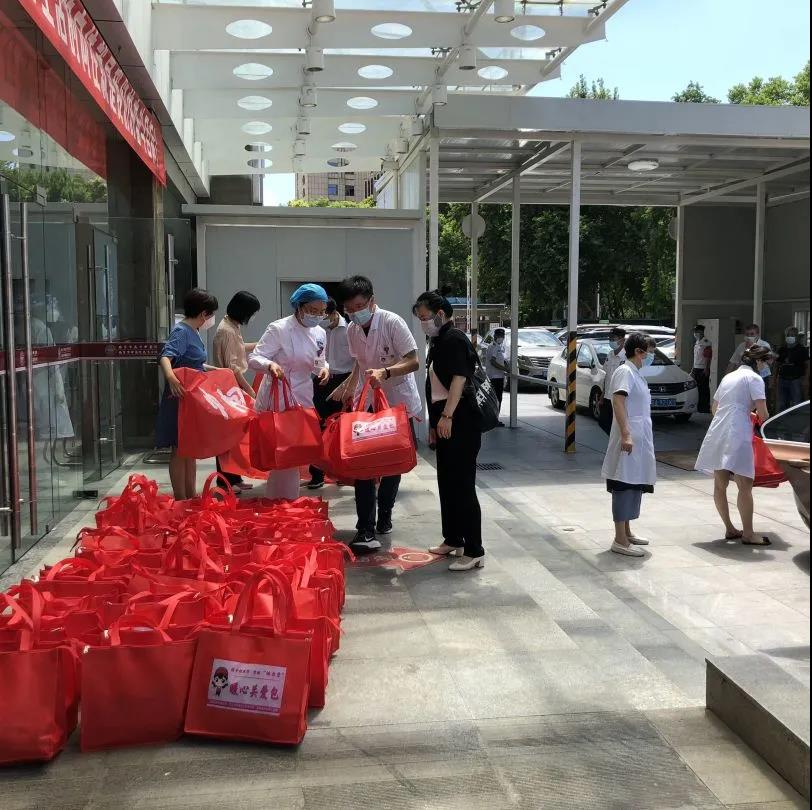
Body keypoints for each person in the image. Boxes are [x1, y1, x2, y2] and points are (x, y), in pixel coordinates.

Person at [331, 275, 420, 553]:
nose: (355, 313)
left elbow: (414, 360)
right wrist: (349, 387)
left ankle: (385, 514)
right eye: (349, 309)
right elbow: (359, 363)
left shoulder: (393, 322)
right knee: (364, 464)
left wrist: (386, 372)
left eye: (359, 306)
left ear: (372, 301)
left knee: (393, 462)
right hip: (367, 401)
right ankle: (365, 527)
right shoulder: (352, 330)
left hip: (397, 401)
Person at [414, 292, 485, 571]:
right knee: (447, 482)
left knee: (463, 485)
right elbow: (435, 387)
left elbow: (459, 379)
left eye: (425, 317)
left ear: (440, 314)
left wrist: (447, 416)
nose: (423, 323)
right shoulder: (439, 340)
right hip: (445, 421)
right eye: (420, 318)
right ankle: (454, 538)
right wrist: (434, 424)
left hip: (460, 421)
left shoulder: (454, 339)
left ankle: (474, 549)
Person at [248, 284, 330, 500]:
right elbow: (254, 358)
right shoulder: (279, 329)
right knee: (283, 453)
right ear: (299, 307)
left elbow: (319, 361)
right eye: (313, 310)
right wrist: (270, 365)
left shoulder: (320, 333)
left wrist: (324, 369)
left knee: (293, 454)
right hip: (277, 399)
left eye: (322, 312)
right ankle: (282, 501)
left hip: (302, 397)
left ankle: (282, 501)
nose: (317, 316)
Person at [695, 345, 772, 546]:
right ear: (758, 361)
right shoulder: (755, 379)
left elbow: (715, 408)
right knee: (744, 485)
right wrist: (751, 415)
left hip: (718, 429)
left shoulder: (728, 377)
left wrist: (739, 411)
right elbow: (763, 414)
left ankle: (730, 528)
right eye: (765, 362)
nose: (766, 367)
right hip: (738, 432)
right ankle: (748, 533)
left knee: (720, 484)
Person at [156, 288, 219, 501]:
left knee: (189, 448)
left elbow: (195, 363)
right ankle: (180, 497)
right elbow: (166, 357)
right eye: (210, 313)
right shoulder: (181, 331)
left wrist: (217, 371)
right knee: (180, 448)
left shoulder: (194, 331)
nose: (211, 318)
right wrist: (171, 378)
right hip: (180, 396)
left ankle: (191, 495)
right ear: (203, 313)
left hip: (192, 397)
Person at [601, 334, 658, 558]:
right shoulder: (625, 371)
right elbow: (618, 401)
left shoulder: (636, 373)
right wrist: (626, 434)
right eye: (649, 352)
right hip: (629, 438)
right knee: (623, 484)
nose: (651, 356)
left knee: (635, 483)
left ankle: (627, 532)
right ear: (638, 351)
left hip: (639, 438)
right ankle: (620, 540)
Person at [212, 291, 261, 492]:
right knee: (226, 438)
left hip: (232, 386)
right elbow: (233, 368)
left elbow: (238, 348)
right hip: (230, 387)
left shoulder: (232, 326)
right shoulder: (227, 331)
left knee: (234, 437)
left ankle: (234, 477)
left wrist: (258, 345)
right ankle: (225, 481)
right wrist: (249, 390)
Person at [306, 298, 354, 490]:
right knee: (316, 426)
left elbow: (357, 361)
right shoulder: (317, 329)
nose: (322, 319)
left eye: (325, 315)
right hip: (321, 379)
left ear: (335, 313)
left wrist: (349, 386)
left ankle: (343, 473)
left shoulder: (350, 329)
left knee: (343, 428)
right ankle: (317, 474)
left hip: (343, 380)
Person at [598, 326, 627, 435]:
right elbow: (607, 377)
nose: (611, 341)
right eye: (610, 338)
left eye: (614, 338)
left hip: (619, 398)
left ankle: (619, 442)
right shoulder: (610, 354)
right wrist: (602, 396)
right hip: (607, 397)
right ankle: (615, 441)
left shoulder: (626, 357)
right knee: (603, 422)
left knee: (617, 425)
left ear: (622, 340)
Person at [776, 326, 809, 411]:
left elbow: (807, 365)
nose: (790, 337)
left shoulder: (802, 349)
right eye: (788, 335)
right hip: (782, 380)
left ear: (796, 337)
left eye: (793, 335)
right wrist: (774, 378)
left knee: (796, 404)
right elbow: (777, 364)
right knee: (782, 404)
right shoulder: (782, 349)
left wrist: (806, 379)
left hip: (796, 380)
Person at [484, 328, 508, 426]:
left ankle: (494, 419)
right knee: (497, 398)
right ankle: (494, 420)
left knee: (496, 398)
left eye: (502, 336)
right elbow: (493, 362)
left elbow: (500, 360)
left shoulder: (497, 346)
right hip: (495, 377)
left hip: (496, 376)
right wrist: (505, 369)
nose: (501, 338)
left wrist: (505, 366)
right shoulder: (494, 346)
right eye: (500, 336)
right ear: (495, 336)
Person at [690, 324, 713, 414]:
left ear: (702, 332)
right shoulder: (697, 342)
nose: (695, 333)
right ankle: (699, 407)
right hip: (696, 368)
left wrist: (707, 368)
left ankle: (704, 407)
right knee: (697, 388)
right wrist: (692, 369)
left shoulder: (706, 343)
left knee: (704, 388)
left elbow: (708, 357)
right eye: (695, 332)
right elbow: (695, 358)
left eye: (697, 332)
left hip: (703, 368)